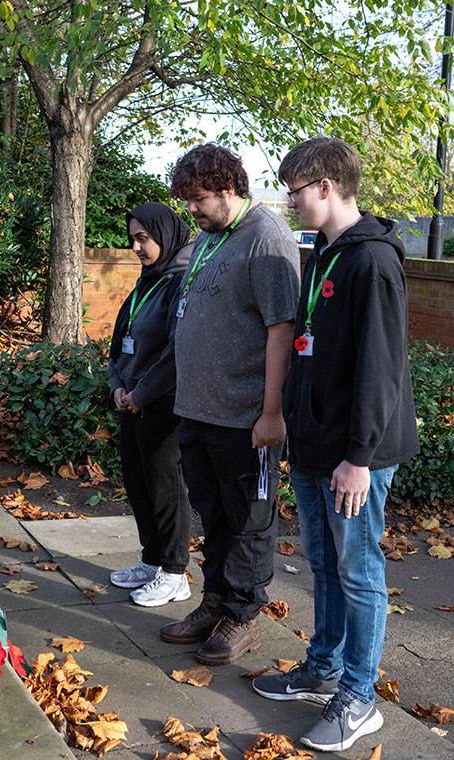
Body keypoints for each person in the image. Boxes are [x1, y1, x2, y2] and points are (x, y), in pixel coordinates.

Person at [252, 137, 420, 753]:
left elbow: (381, 368)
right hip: (316, 443)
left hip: (355, 455)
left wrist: (359, 457)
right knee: (323, 564)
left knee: (358, 570)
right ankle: (322, 667)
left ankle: (359, 697)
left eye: (294, 191)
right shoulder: (322, 252)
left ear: (325, 186)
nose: (289, 202)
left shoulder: (372, 262)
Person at [159, 143, 301, 664]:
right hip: (198, 410)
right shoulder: (209, 237)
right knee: (213, 515)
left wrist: (271, 414)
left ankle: (242, 616)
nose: (190, 210)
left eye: (198, 200)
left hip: (244, 417)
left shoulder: (267, 237)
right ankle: (214, 601)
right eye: (186, 202)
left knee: (248, 519)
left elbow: (281, 328)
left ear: (228, 189)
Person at [108, 202, 194, 607]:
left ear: (165, 234)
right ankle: (152, 560)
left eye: (144, 238)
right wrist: (118, 388)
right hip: (131, 403)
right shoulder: (147, 281)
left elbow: (178, 351)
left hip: (163, 405)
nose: (137, 247)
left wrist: (140, 395)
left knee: (166, 491)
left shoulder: (180, 282)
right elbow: (118, 344)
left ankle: (175, 573)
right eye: (133, 239)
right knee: (139, 486)